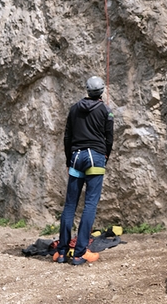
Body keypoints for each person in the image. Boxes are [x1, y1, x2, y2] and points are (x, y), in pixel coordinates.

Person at [53, 76, 114, 265]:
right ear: (102, 91)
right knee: (90, 204)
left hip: (76, 157)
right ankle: (80, 253)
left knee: (70, 205)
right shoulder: (106, 110)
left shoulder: (74, 109)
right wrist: (106, 157)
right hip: (95, 157)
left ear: (87, 90)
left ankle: (62, 253)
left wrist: (67, 160)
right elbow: (109, 138)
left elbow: (67, 137)